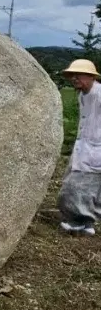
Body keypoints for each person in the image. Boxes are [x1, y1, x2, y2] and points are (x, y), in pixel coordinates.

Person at [59, 58, 101, 236]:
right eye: (72, 75)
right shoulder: (83, 95)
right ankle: (87, 224)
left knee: (76, 186)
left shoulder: (99, 95)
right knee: (83, 186)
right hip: (84, 147)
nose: (74, 78)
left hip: (95, 149)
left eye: (78, 75)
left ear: (91, 77)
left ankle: (78, 221)